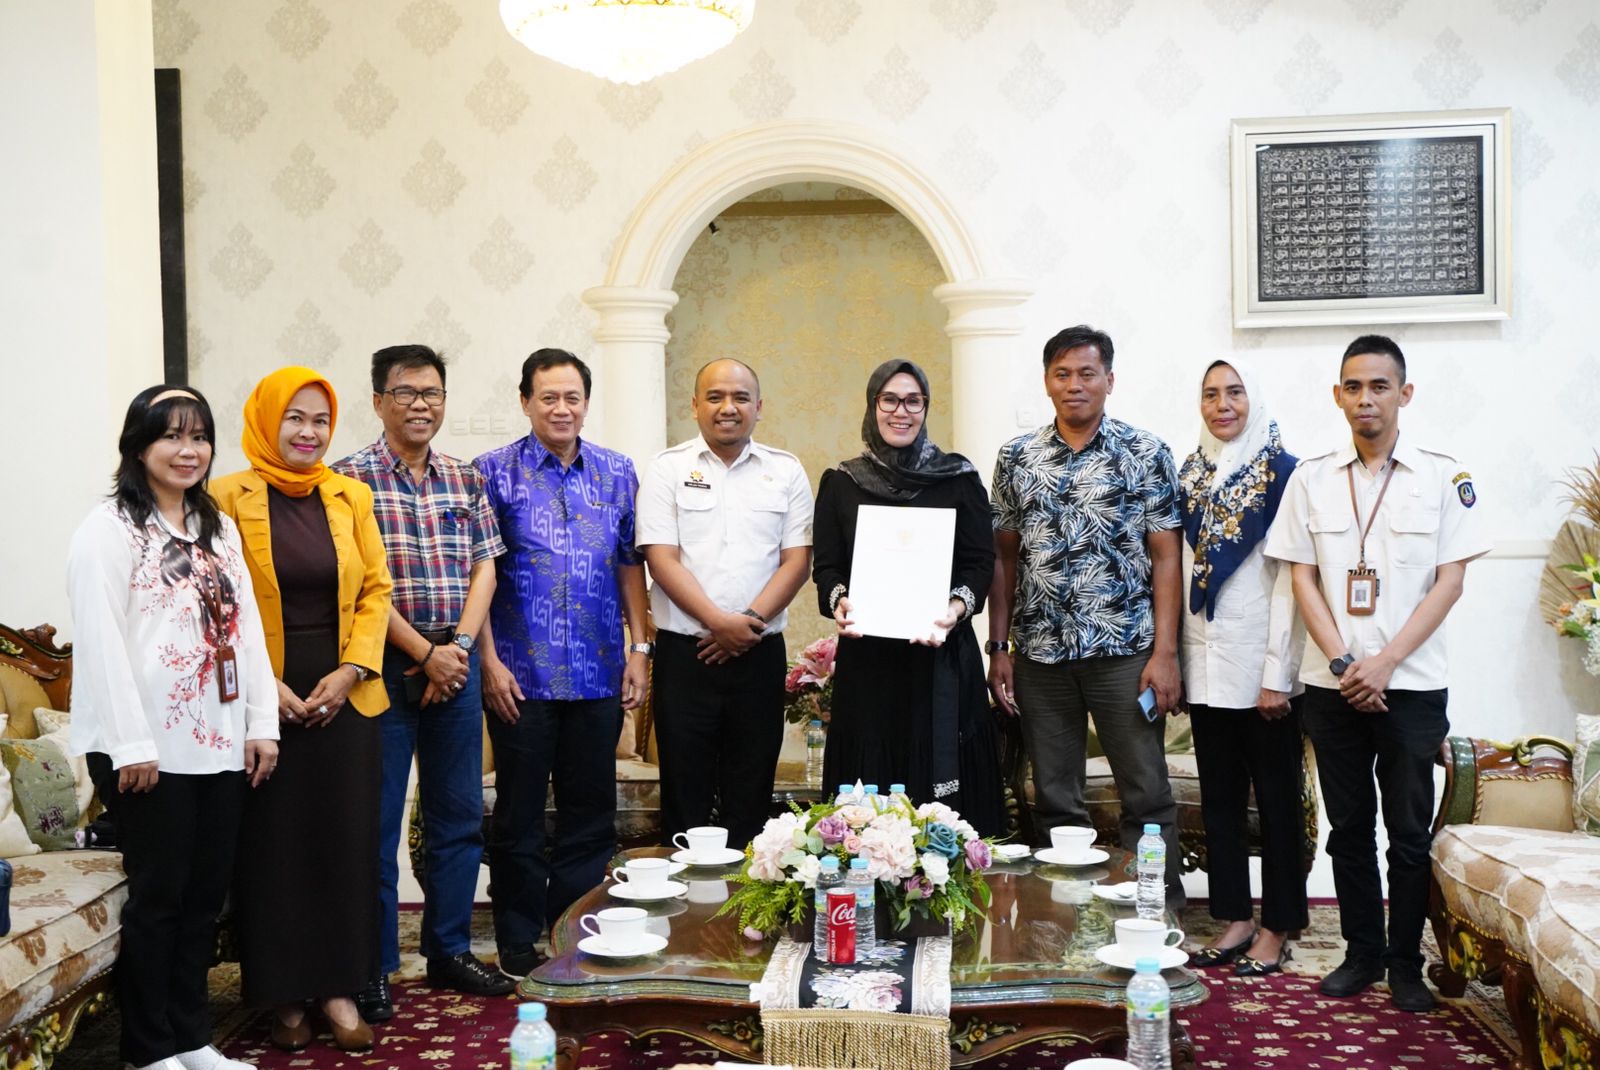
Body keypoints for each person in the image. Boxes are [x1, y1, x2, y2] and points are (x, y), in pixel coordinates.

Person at [1266, 335, 1489, 1012]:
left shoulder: (1444, 477)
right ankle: (1361, 954)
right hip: (1332, 686)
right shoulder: (1311, 478)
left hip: (1411, 686)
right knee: (1349, 830)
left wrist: (1386, 663)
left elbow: (1450, 583)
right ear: (1339, 395)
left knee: (1409, 834)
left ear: (1404, 393)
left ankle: (1405, 964)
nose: (1367, 398)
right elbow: (1302, 578)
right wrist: (1343, 662)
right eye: (1354, 386)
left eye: (1380, 386)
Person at [67, 386, 278, 1070]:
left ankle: (192, 1039)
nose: (189, 450)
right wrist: (131, 745)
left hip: (217, 741)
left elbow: (246, 632)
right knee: (158, 899)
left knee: (202, 899)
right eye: (172, 436)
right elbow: (101, 646)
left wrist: (261, 723)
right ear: (138, 445)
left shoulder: (216, 528)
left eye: (200, 437)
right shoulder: (108, 530)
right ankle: (149, 1048)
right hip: (144, 748)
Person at [212, 368, 392, 1052]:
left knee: (345, 843)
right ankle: (284, 997)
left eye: (320, 420)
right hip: (264, 704)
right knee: (274, 848)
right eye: (295, 418)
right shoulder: (223, 498)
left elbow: (376, 590)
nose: (309, 432)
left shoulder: (351, 495)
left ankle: (341, 990)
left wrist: (350, 672)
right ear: (266, 420)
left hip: (344, 698)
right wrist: (265, 687)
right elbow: (218, 606)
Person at [332, 345, 513, 1009]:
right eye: (406, 392)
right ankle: (374, 965)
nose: (420, 404)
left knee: (458, 817)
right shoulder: (346, 481)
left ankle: (450, 951)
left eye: (431, 392)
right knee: (376, 824)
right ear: (378, 401)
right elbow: (357, 586)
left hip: (455, 664)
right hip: (379, 666)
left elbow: (485, 566)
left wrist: (457, 648)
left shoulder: (465, 479)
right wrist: (422, 652)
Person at [987, 324, 1186, 906]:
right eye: (1063, 374)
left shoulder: (1145, 452)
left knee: (1145, 792)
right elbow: (1003, 558)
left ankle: (1154, 908)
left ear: (1109, 380)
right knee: (1054, 796)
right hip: (1041, 655)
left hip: (1125, 652)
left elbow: (1167, 556)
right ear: (1047, 382)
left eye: (1087, 373)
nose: (1075, 384)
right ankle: (1065, 918)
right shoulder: (1017, 457)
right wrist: (999, 649)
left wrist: (1165, 653)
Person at [476, 348, 650, 976]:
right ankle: (519, 939)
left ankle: (572, 931)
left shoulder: (618, 471)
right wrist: (487, 662)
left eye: (572, 397)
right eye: (548, 397)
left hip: (599, 672)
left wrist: (639, 649)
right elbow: (479, 573)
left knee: (590, 817)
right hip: (519, 677)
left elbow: (630, 565)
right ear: (525, 401)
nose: (561, 408)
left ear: (586, 402)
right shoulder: (492, 473)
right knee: (519, 816)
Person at [813, 360, 1005, 833]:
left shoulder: (958, 478)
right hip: (870, 664)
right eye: (890, 400)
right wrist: (839, 600)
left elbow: (980, 562)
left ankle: (952, 875)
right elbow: (828, 567)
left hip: (942, 657)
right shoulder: (842, 482)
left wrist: (955, 609)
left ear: (925, 408)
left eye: (913, 401)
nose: (901, 411)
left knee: (949, 806)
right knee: (868, 799)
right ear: (873, 405)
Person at [636, 358, 813, 848]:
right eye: (715, 397)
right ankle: (686, 898)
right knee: (684, 798)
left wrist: (746, 625)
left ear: (759, 406)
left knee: (751, 798)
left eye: (740, 397)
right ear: (695, 405)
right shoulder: (667, 468)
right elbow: (661, 558)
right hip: (686, 657)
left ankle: (747, 898)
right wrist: (718, 623)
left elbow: (797, 560)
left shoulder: (785, 470)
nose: (727, 407)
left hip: (759, 656)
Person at [1177, 360, 1307, 975]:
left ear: (1256, 398)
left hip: (1262, 668)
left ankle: (1278, 926)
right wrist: (1180, 662)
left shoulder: (1284, 474)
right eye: (1211, 394)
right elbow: (1180, 570)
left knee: (1278, 804)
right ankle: (1235, 918)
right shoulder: (1190, 473)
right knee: (1220, 800)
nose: (1222, 404)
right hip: (1206, 664)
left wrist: (1277, 673)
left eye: (1234, 392)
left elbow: (1291, 582)